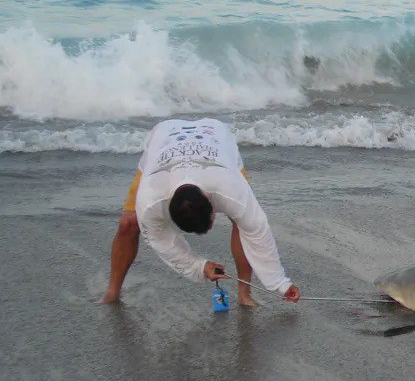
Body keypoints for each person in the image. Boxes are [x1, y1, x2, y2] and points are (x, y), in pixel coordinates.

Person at [101, 118, 301, 306]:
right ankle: (113, 291)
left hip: (217, 140)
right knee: (128, 224)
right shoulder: (150, 199)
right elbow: (160, 240)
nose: (213, 224)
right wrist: (199, 267)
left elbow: (257, 231)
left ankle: (244, 292)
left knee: (241, 219)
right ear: (167, 213)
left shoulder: (231, 189)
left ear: (209, 198)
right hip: (164, 138)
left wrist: (280, 284)